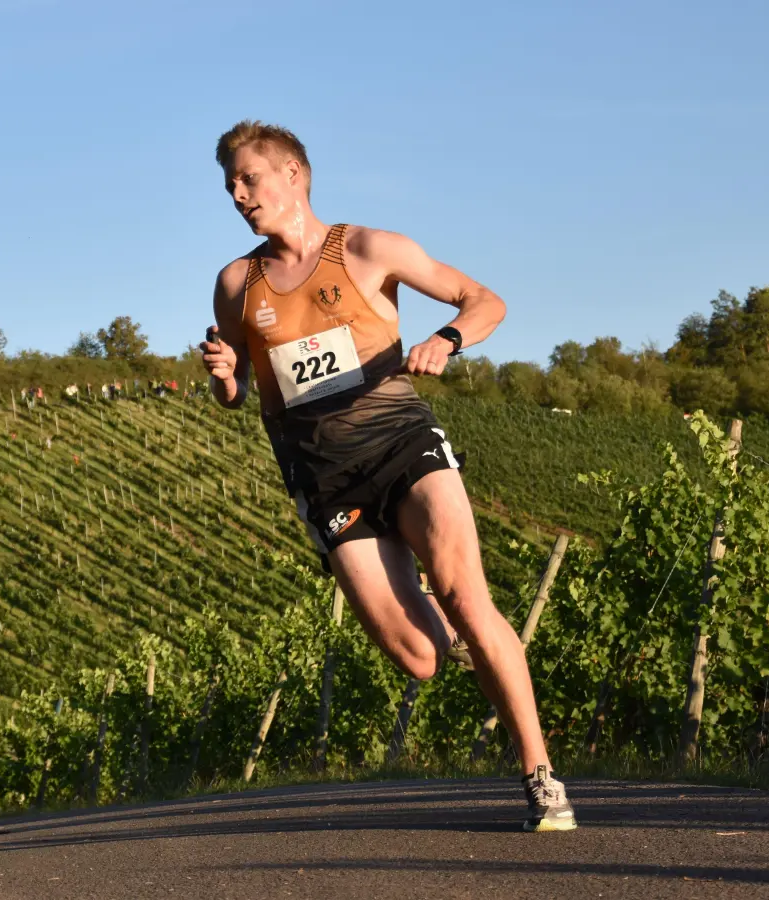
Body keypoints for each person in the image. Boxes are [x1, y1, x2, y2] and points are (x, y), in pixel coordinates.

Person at [198, 121, 575, 832]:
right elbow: (241, 390)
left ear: (294, 177)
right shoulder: (235, 285)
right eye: (230, 186)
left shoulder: (370, 250)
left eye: (249, 178)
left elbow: (484, 299)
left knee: (469, 598)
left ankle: (540, 775)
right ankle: (456, 623)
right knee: (420, 659)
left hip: (404, 447)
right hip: (325, 482)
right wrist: (224, 378)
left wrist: (446, 337)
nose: (239, 195)